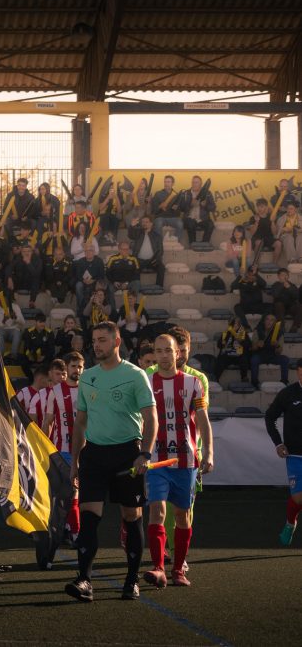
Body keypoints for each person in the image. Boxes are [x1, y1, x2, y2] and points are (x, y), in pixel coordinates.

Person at [65, 321, 157, 603]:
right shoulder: (88, 377)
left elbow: (151, 418)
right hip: (94, 455)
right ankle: (84, 581)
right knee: (89, 518)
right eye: (94, 340)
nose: (96, 345)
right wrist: (75, 461)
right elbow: (80, 423)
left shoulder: (135, 375)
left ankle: (131, 581)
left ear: (117, 342)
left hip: (127, 455)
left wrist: (145, 453)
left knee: (131, 517)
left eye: (102, 340)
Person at [143, 334, 212, 588]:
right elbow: (138, 418)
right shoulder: (146, 381)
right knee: (157, 510)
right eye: (159, 351)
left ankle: (178, 568)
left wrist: (209, 452)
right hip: (156, 460)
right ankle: (158, 567)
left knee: (183, 515)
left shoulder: (194, 383)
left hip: (186, 459)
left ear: (178, 353)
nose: (163, 355)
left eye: (168, 350)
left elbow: (203, 419)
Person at [43, 356, 81, 542]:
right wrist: (43, 446)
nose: (77, 370)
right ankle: (74, 532)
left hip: (86, 451)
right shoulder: (55, 392)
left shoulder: (88, 390)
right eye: (74, 366)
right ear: (67, 368)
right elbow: (48, 421)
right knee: (70, 491)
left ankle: (67, 527)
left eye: (80, 366)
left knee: (80, 494)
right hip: (63, 450)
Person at [265, 362, 302, 546]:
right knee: (298, 498)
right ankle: (290, 523)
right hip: (295, 455)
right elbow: (270, 417)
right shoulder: (288, 393)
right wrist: (278, 443)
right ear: (297, 372)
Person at [129, 216, 166, 288]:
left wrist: (156, 259)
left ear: (151, 224)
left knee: (161, 267)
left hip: (152, 261)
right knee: (133, 267)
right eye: (143, 222)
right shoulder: (138, 233)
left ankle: (158, 287)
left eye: (146, 222)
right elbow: (131, 235)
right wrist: (132, 226)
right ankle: (136, 287)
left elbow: (160, 251)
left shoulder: (157, 236)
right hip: (139, 260)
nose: (144, 223)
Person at [178, 175, 215, 245]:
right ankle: (193, 244)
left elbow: (213, 208)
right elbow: (181, 208)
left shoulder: (208, 193)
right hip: (189, 218)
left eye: (196, 182)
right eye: (193, 182)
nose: (194, 184)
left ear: (201, 184)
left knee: (210, 225)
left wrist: (205, 205)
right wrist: (190, 204)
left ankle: (204, 244)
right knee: (190, 223)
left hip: (203, 219)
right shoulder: (185, 193)